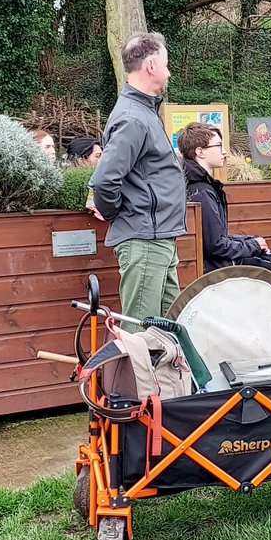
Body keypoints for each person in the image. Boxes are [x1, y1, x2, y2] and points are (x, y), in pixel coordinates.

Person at [90, 33, 186, 326]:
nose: (169, 73)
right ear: (152, 65)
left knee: (172, 328)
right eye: (167, 65)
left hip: (157, 238)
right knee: (138, 333)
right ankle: (135, 374)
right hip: (144, 239)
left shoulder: (144, 112)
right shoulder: (133, 118)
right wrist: (118, 214)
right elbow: (104, 181)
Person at [179, 121, 271, 301]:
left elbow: (217, 238)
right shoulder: (201, 191)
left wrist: (251, 241)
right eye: (218, 146)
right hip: (222, 268)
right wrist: (253, 246)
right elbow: (214, 246)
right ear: (200, 152)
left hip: (223, 261)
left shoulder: (200, 186)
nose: (224, 152)